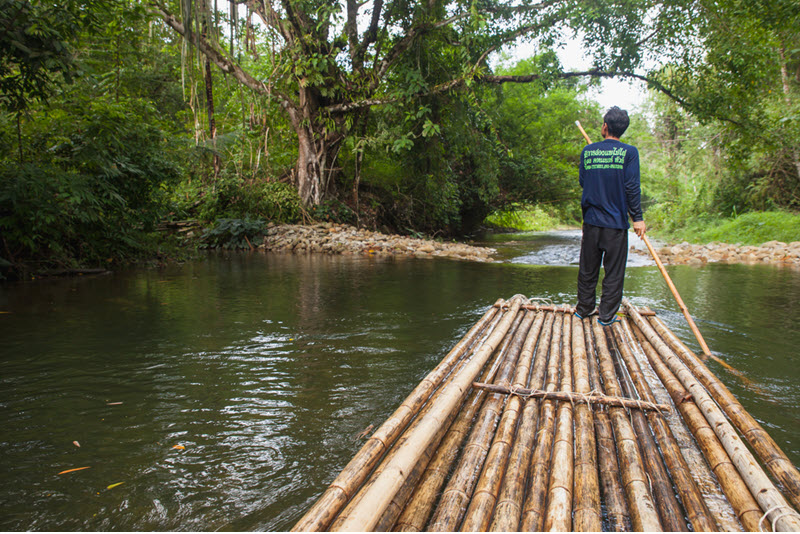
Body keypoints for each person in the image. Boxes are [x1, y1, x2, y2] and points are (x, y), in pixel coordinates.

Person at [575, 106, 646, 326]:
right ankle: (606, 316)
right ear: (623, 129)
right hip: (615, 224)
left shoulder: (588, 151)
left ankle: (584, 309)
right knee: (614, 272)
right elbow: (632, 187)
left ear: (605, 126)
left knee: (588, 269)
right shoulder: (629, 152)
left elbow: (583, 181)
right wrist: (637, 218)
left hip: (591, 222)